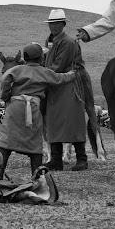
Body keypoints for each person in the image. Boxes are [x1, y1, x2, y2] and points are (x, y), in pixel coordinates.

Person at [0, 42, 77, 180]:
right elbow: (60, 78)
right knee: (34, 146)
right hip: (33, 108)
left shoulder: (17, 70)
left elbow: (5, 79)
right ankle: (38, 180)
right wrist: (73, 73)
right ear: (40, 58)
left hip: (15, 107)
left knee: (6, 143)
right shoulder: (44, 72)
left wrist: (6, 96)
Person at [43, 9, 88, 171]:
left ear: (63, 24)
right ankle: (56, 158)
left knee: (73, 120)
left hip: (68, 85)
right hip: (55, 85)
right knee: (53, 121)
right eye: (51, 24)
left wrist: (41, 74)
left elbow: (58, 65)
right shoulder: (51, 41)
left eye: (56, 23)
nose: (53, 26)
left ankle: (82, 158)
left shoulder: (67, 42)